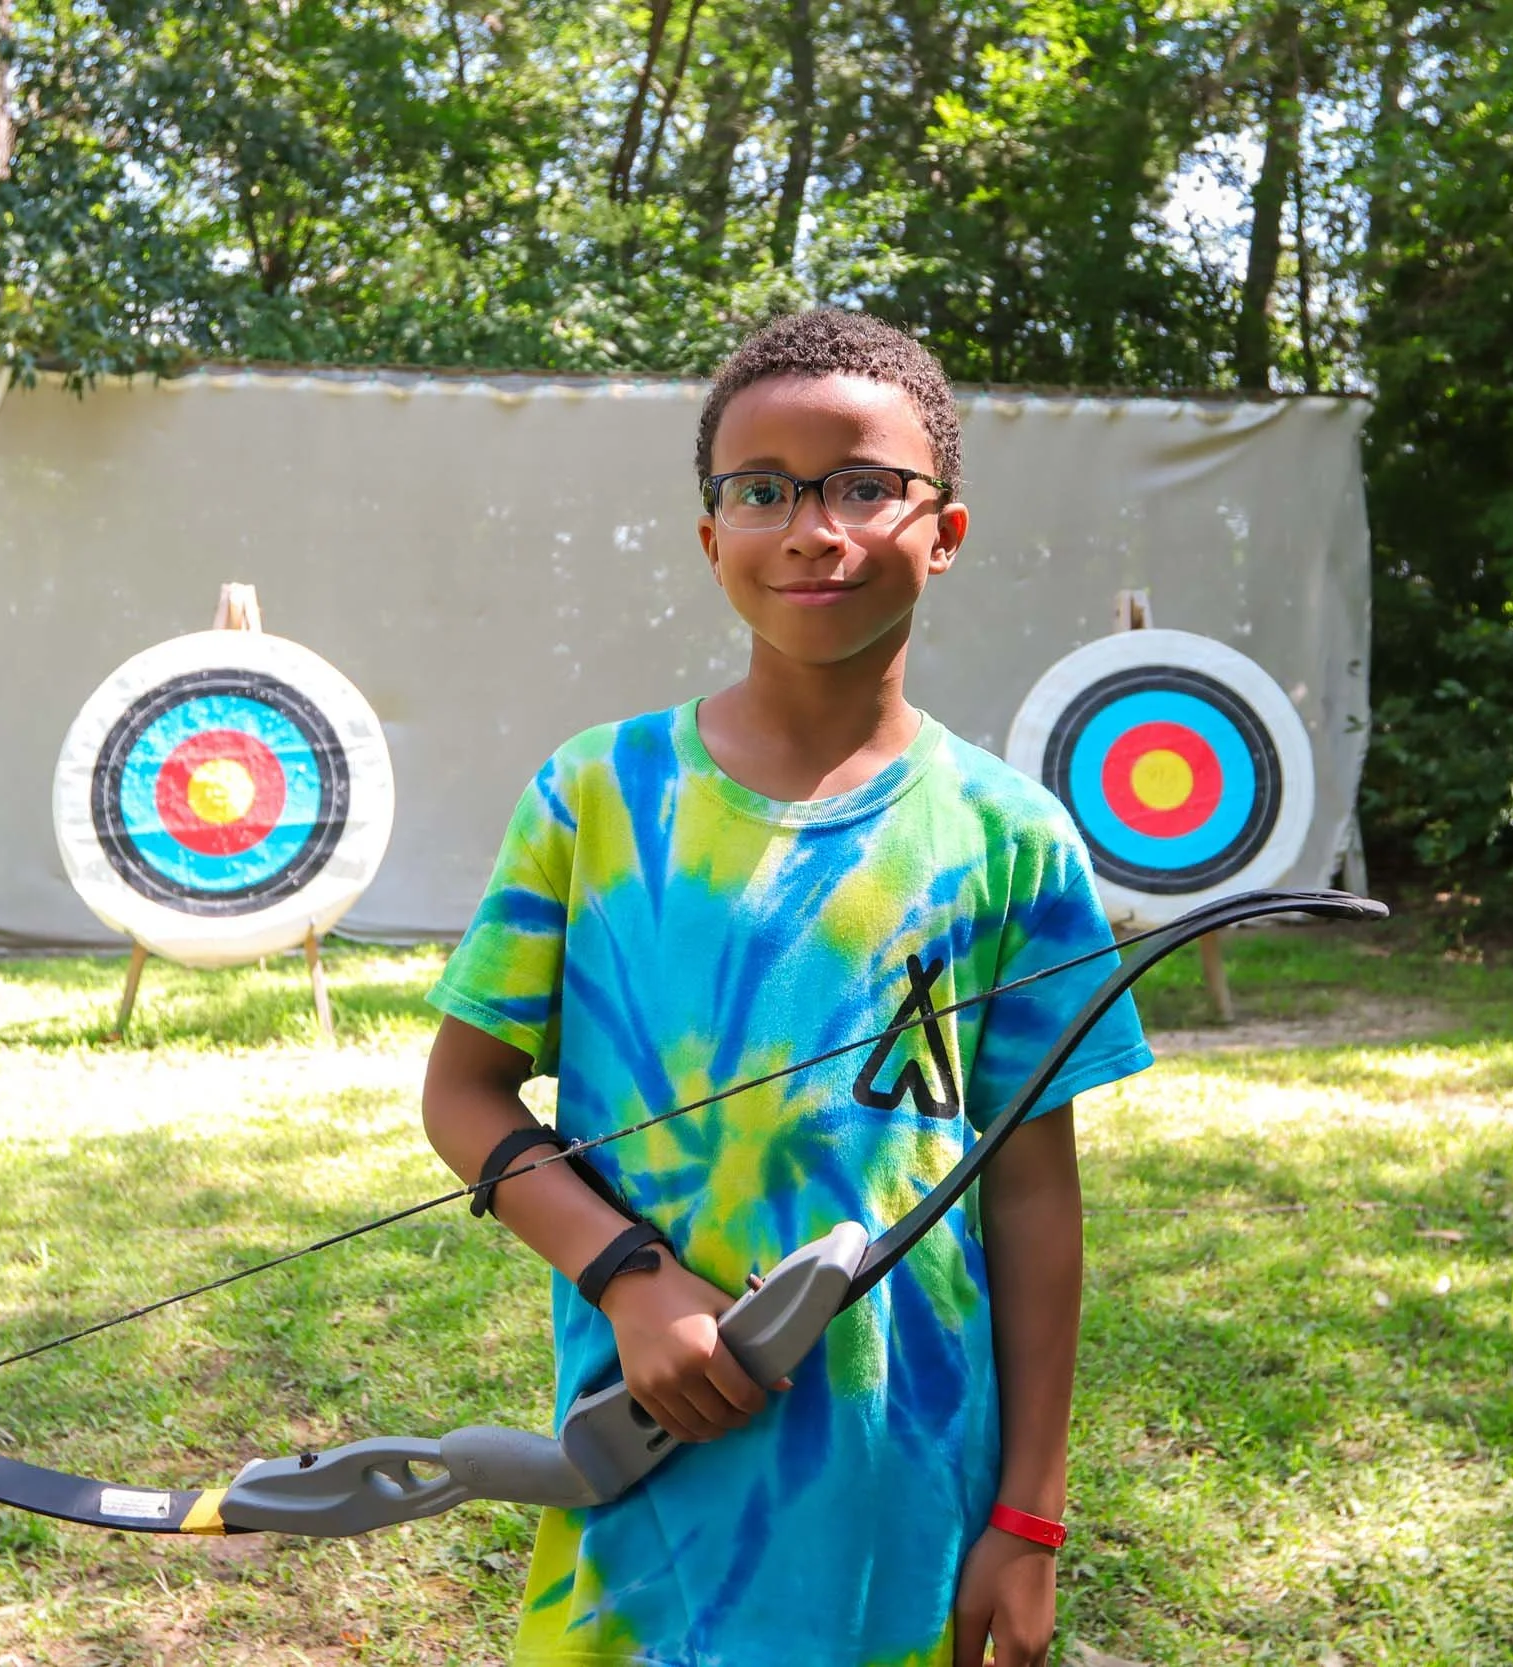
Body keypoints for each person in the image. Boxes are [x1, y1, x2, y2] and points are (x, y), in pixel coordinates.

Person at [421, 309, 1153, 1667]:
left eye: (866, 486)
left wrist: (1030, 1517)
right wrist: (631, 1278)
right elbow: (463, 1096)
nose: (813, 528)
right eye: (761, 489)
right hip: (647, 1472)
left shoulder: (1013, 840)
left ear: (946, 531)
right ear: (712, 539)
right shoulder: (596, 795)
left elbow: (1035, 1189)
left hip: (906, 1494)